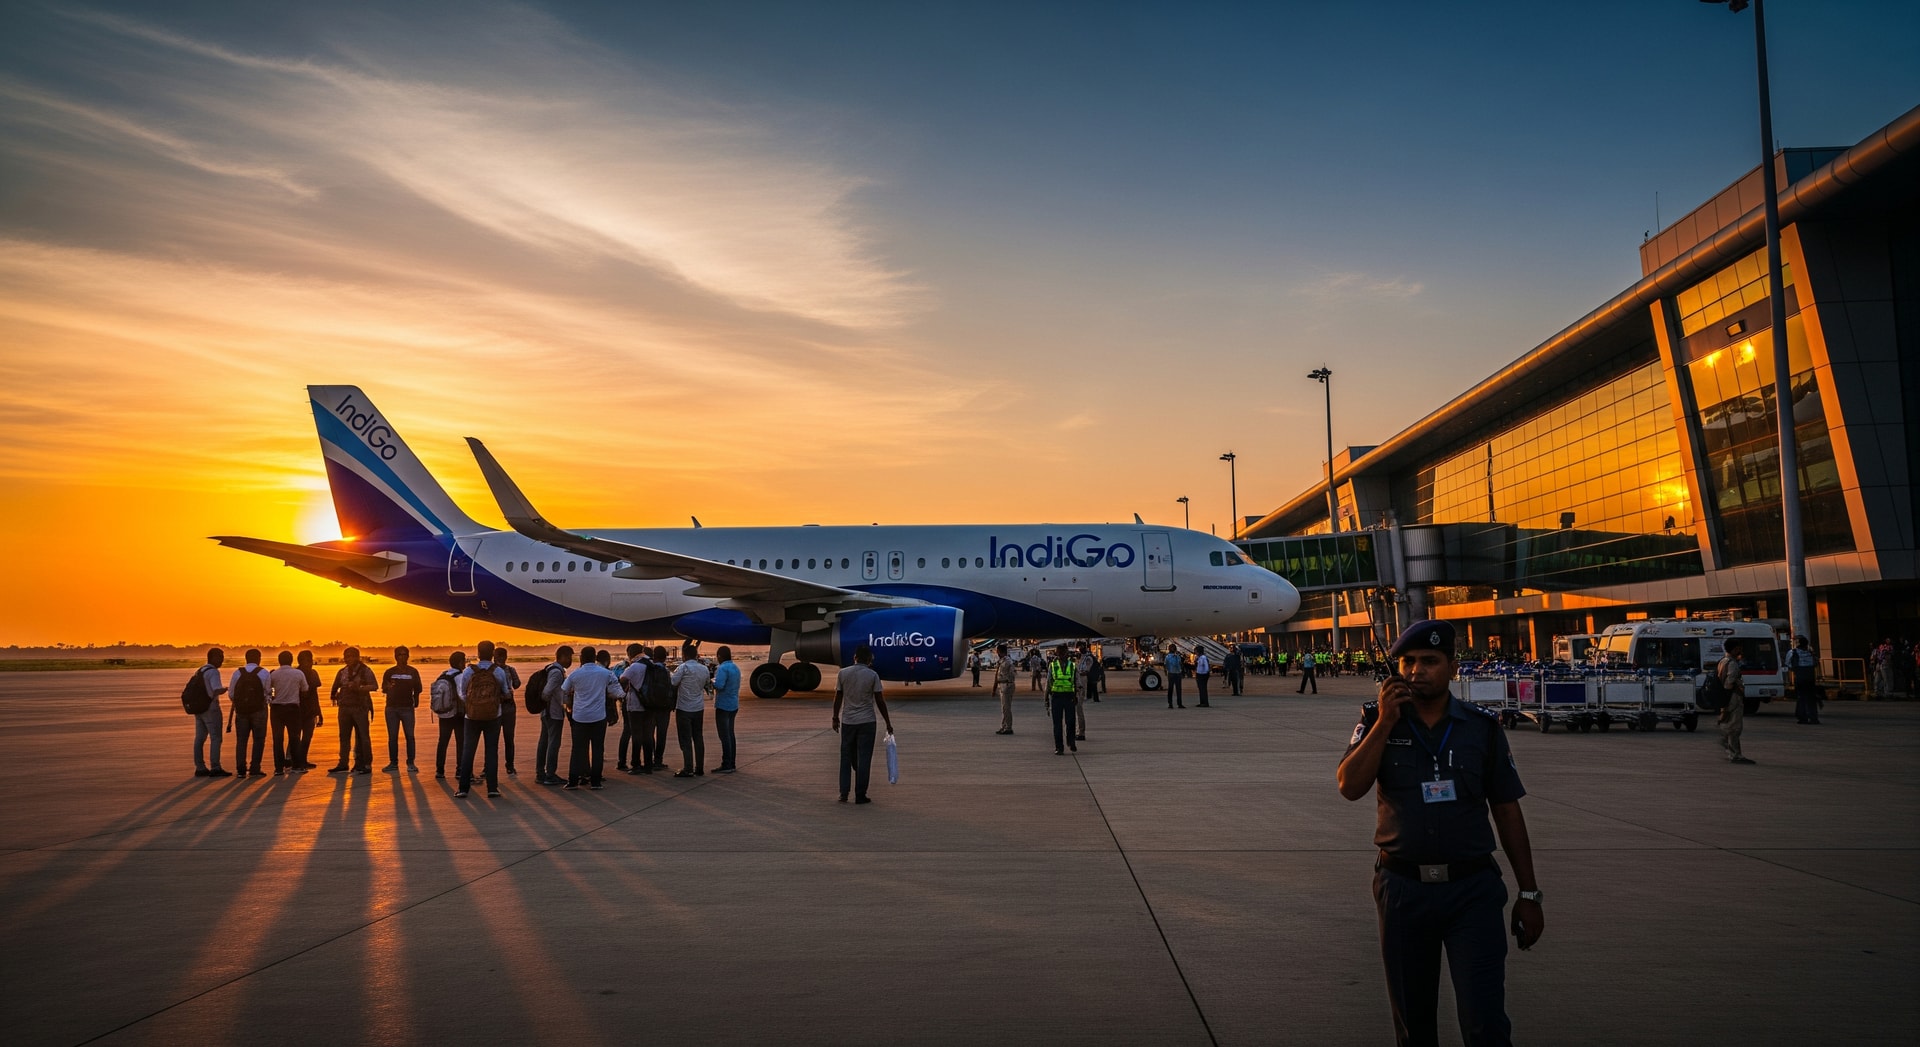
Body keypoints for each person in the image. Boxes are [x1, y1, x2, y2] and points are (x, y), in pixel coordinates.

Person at [1336, 619, 1543, 1047]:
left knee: (1484, 1021)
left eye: (1429, 661)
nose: (1416, 671)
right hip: (1402, 890)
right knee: (1413, 1024)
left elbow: (1507, 810)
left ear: (1452, 667)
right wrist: (1385, 723)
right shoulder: (1376, 720)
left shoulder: (1481, 728)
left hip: (1472, 892)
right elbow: (1349, 786)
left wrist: (1529, 894)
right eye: (1407, 662)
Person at [831, 643, 893, 803]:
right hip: (867, 721)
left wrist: (835, 717)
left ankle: (843, 793)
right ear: (869, 660)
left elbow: (838, 696)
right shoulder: (872, 675)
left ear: (855, 657)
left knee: (845, 757)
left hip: (848, 721)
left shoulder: (843, 673)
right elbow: (880, 700)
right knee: (864, 758)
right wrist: (887, 722)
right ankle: (860, 794)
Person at [456, 641, 511, 798]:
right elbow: (506, 692)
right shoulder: (498, 671)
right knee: (491, 751)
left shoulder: (469, 671)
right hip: (494, 716)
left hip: (471, 716)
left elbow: (462, 693)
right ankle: (492, 788)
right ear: (493, 653)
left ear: (478, 653)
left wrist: (472, 704)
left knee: (468, 751)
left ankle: (463, 789)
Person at [561, 646, 617, 790]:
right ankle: (596, 781)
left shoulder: (575, 674)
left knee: (578, 749)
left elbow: (564, 690)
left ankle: (573, 781)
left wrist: (568, 705)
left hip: (580, 716)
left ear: (581, 658)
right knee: (598, 749)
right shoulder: (605, 673)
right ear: (595, 658)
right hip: (598, 716)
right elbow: (616, 692)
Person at [327, 647, 377, 776]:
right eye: (346, 656)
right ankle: (343, 763)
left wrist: (359, 688)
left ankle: (365, 763)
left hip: (360, 708)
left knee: (362, 737)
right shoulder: (342, 671)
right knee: (344, 736)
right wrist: (334, 694)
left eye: (351, 656)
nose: (348, 659)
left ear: (357, 657)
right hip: (344, 708)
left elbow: (374, 686)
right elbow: (335, 686)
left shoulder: (365, 670)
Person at [671, 642, 712, 778]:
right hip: (698, 707)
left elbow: (673, 682)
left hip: (684, 708)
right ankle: (699, 767)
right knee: (698, 737)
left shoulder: (683, 668)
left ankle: (688, 768)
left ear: (684, 655)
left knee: (685, 739)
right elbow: (706, 683)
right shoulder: (704, 669)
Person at [227, 648, 270, 778]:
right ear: (259, 658)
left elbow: (231, 694)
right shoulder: (264, 673)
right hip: (259, 711)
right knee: (259, 740)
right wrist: (267, 701)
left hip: (241, 711)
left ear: (246, 659)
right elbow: (269, 692)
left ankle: (241, 769)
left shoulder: (237, 673)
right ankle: (255, 767)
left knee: (241, 740)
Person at [188, 648, 231, 777]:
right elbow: (216, 689)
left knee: (199, 738)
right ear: (213, 657)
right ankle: (215, 767)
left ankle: (200, 767)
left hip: (199, 708)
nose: (222, 660)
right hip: (210, 708)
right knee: (216, 737)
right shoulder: (213, 672)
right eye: (220, 657)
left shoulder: (200, 670)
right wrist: (226, 689)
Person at [535, 646, 573, 785]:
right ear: (562, 656)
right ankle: (550, 774)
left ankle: (540, 773)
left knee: (544, 742)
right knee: (553, 743)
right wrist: (561, 701)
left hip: (547, 712)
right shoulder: (557, 673)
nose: (570, 661)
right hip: (553, 713)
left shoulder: (550, 668)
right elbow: (546, 692)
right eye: (569, 657)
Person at [381, 646, 422, 772]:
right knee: (392, 737)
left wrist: (415, 701)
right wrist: (389, 687)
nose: (402, 657)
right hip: (392, 708)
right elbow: (384, 688)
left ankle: (411, 762)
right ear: (395, 656)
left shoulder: (413, 672)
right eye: (400, 654)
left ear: (408, 656)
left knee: (410, 736)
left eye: (404, 654)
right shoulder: (389, 672)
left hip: (407, 708)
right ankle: (393, 762)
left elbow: (418, 688)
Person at [1717, 640, 1755, 765]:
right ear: (1734, 649)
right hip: (1733, 697)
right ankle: (1735, 754)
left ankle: (1727, 743)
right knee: (1735, 726)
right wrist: (1729, 695)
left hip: (1726, 696)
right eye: (1738, 648)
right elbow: (1730, 680)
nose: (1740, 651)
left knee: (1728, 722)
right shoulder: (1732, 663)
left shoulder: (1723, 661)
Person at [268, 651, 306, 775]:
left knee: (278, 739)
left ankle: (278, 768)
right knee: (294, 738)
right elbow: (305, 688)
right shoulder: (298, 673)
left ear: (279, 660)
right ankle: (296, 766)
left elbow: (268, 690)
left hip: (277, 709)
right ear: (291, 660)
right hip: (293, 708)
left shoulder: (273, 674)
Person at [639, 646, 676, 773]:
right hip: (664, 707)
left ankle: (648, 760)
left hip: (650, 706)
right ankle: (658, 760)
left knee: (649, 734)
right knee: (662, 734)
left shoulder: (649, 669)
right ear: (665, 657)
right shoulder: (667, 671)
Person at [432, 651, 466, 780]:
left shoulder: (443, 674)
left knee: (443, 742)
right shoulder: (460, 676)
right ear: (460, 663)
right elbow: (462, 695)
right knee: (460, 742)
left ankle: (440, 770)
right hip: (457, 714)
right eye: (464, 661)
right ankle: (460, 769)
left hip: (444, 714)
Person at [616, 643, 649, 773]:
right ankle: (648, 764)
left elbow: (622, 679)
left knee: (634, 734)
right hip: (650, 704)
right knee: (647, 735)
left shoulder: (635, 666)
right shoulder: (652, 664)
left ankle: (635, 764)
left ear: (630, 654)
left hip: (635, 705)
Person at [712, 646, 742, 773]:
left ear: (719, 656)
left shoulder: (722, 668)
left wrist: (711, 681)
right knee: (730, 734)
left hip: (723, 705)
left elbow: (719, 685)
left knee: (724, 736)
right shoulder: (735, 667)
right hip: (734, 704)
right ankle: (732, 763)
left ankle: (726, 764)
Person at [495, 644, 521, 777]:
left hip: (502, 707)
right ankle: (506, 766)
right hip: (503, 706)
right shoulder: (508, 670)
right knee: (501, 739)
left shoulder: (508, 670)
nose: (501, 659)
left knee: (504, 738)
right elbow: (517, 684)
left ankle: (507, 764)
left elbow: (517, 684)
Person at [1048, 646, 1079, 755]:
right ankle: (1059, 747)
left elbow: (1076, 681)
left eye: (1063, 652)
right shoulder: (1052, 666)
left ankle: (1071, 741)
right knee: (1057, 724)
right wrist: (1046, 700)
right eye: (1059, 652)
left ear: (1066, 653)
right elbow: (1049, 683)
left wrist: (1076, 696)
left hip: (1069, 696)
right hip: (1056, 697)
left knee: (1070, 721)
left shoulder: (1072, 666)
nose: (1060, 654)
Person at [295, 650, 323, 771]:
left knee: (307, 736)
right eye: (308, 660)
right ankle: (295, 760)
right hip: (297, 710)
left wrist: (319, 712)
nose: (310, 663)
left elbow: (315, 694)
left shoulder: (313, 673)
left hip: (309, 710)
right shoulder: (296, 674)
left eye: (311, 660)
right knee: (295, 737)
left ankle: (302, 760)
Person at [1787, 635, 1821, 725]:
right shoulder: (1811, 653)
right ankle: (1813, 718)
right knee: (1811, 698)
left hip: (1800, 678)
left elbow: (1788, 664)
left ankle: (1803, 717)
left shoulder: (1793, 652)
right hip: (1810, 678)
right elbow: (1816, 663)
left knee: (1801, 698)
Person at [993, 643, 1017, 735]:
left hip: (1006, 685)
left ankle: (1008, 727)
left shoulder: (1007, 662)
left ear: (1000, 652)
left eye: (997, 651)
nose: (997, 653)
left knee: (1006, 708)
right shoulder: (1002, 661)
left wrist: (1008, 684)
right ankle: (1004, 726)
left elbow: (1011, 675)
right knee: (1004, 708)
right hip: (1002, 685)